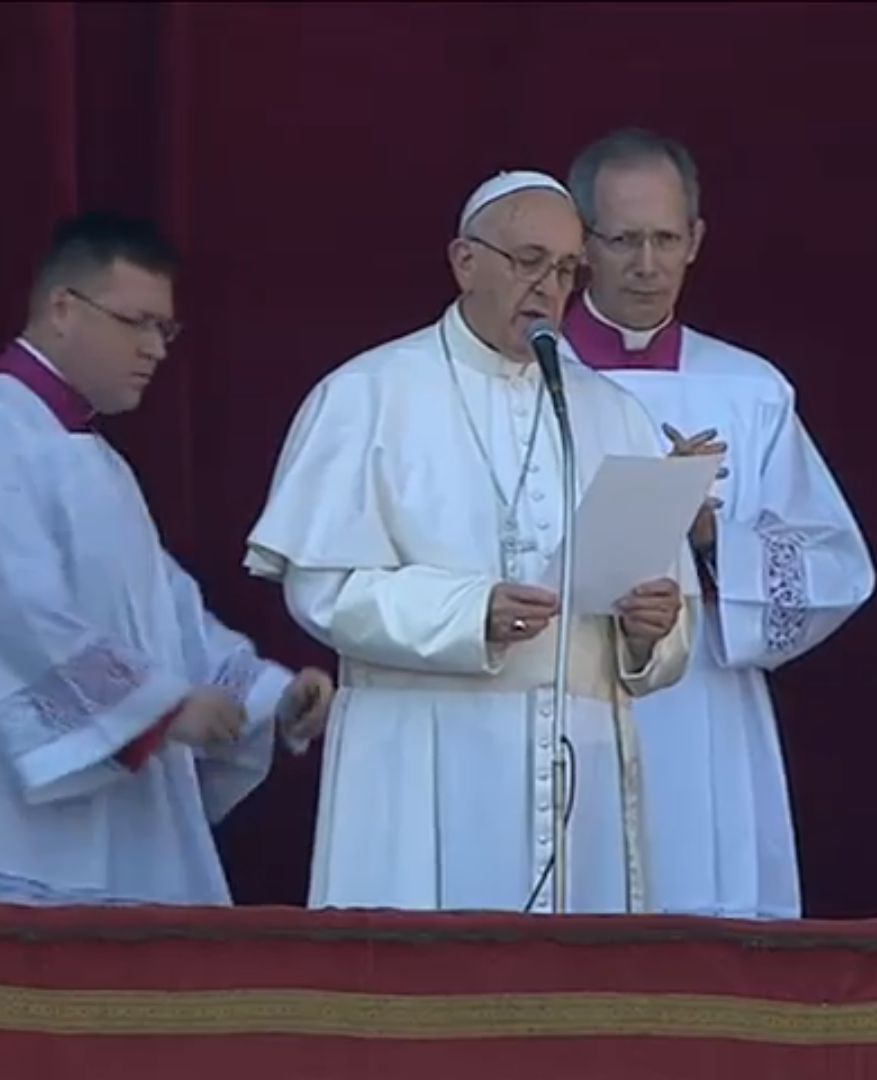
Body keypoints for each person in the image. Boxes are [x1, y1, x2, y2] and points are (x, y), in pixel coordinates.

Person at [0, 211, 335, 906]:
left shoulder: (94, 459)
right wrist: (160, 710)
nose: (155, 349)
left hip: (105, 818)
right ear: (62, 308)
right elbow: (12, 617)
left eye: (165, 329)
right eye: (136, 322)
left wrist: (267, 695)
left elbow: (164, 614)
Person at [244, 170, 695, 914]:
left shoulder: (615, 414)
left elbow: (669, 614)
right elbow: (322, 589)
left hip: (578, 771)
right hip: (422, 757)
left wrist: (651, 633)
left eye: (566, 270)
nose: (549, 287)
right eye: (528, 261)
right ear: (465, 261)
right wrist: (469, 612)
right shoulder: (368, 394)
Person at [559, 128, 877, 919]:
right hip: (564, 693)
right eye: (623, 240)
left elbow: (837, 569)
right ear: (582, 243)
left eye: (666, 239)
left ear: (695, 240)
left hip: (700, 703)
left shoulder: (748, 389)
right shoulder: (527, 378)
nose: (647, 264)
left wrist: (709, 540)